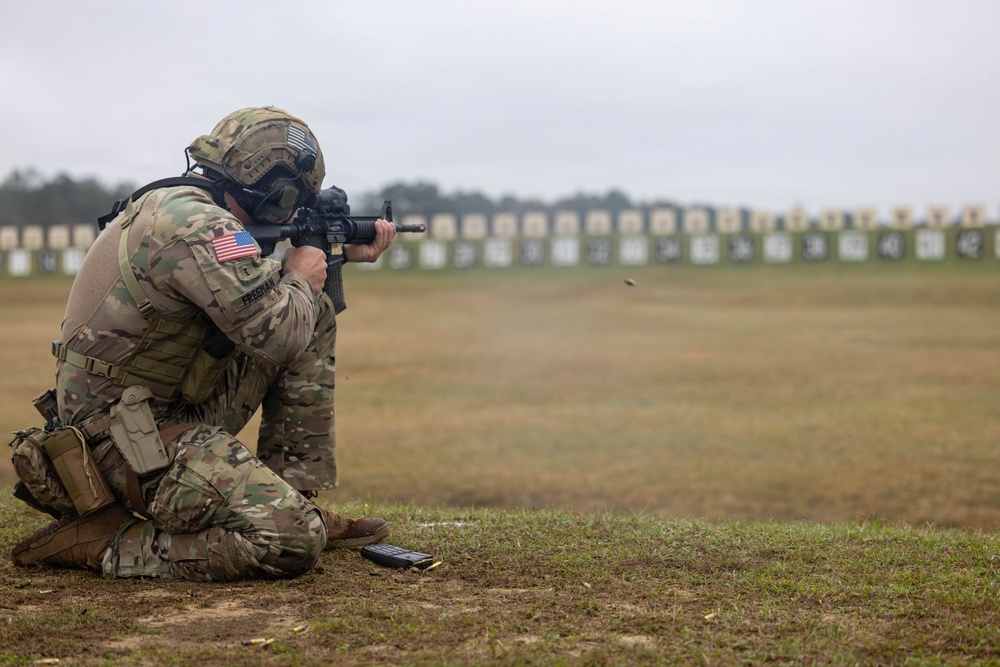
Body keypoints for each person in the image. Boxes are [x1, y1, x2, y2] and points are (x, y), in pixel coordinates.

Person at [10, 106, 394, 580]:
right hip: (121, 441)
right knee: (291, 540)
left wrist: (330, 261)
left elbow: (249, 294)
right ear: (270, 190)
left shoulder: (184, 206)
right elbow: (278, 332)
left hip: (156, 413)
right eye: (289, 200)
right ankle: (104, 545)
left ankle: (296, 493)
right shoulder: (200, 226)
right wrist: (300, 275)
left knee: (311, 312)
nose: (291, 213)